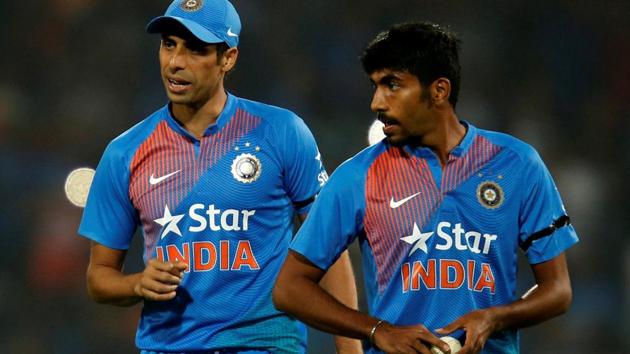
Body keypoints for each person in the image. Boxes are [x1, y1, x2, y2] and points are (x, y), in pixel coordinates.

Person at [273, 21, 579, 354]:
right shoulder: (357, 176)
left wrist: (493, 318)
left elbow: (558, 289)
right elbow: (290, 288)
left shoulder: (516, 164)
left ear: (439, 91)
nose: (377, 102)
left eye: (392, 85)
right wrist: (377, 330)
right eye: (375, 86)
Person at [78, 0, 361, 353]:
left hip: (265, 345)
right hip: (170, 347)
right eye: (169, 44)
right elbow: (99, 277)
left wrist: (350, 349)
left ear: (228, 58)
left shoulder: (281, 132)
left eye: (196, 49)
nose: (176, 62)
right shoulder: (125, 152)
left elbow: (328, 248)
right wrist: (137, 283)